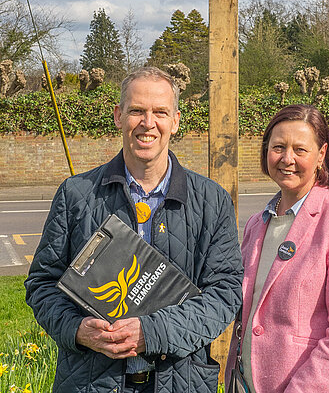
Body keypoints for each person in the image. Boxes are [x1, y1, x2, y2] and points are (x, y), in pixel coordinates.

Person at [25, 67, 243, 392]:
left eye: (160, 112)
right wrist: (76, 329)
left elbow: (225, 293)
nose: (148, 123)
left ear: (176, 121)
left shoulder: (212, 201)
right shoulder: (76, 194)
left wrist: (153, 333)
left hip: (180, 381)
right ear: (118, 116)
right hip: (92, 382)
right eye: (137, 111)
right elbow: (42, 284)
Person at [225, 104, 329, 392]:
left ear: (321, 155)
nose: (287, 159)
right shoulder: (255, 225)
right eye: (278, 147)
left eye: (300, 150)